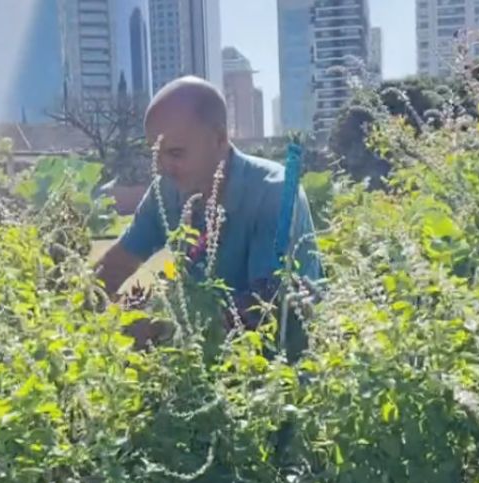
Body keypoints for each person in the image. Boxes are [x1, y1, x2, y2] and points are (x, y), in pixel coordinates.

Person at [93, 76, 322, 348]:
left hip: (287, 369)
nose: (163, 167)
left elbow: (261, 309)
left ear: (219, 139)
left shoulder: (274, 192)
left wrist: (159, 328)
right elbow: (114, 268)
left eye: (176, 153)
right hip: (207, 359)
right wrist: (76, 306)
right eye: (156, 154)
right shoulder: (166, 192)